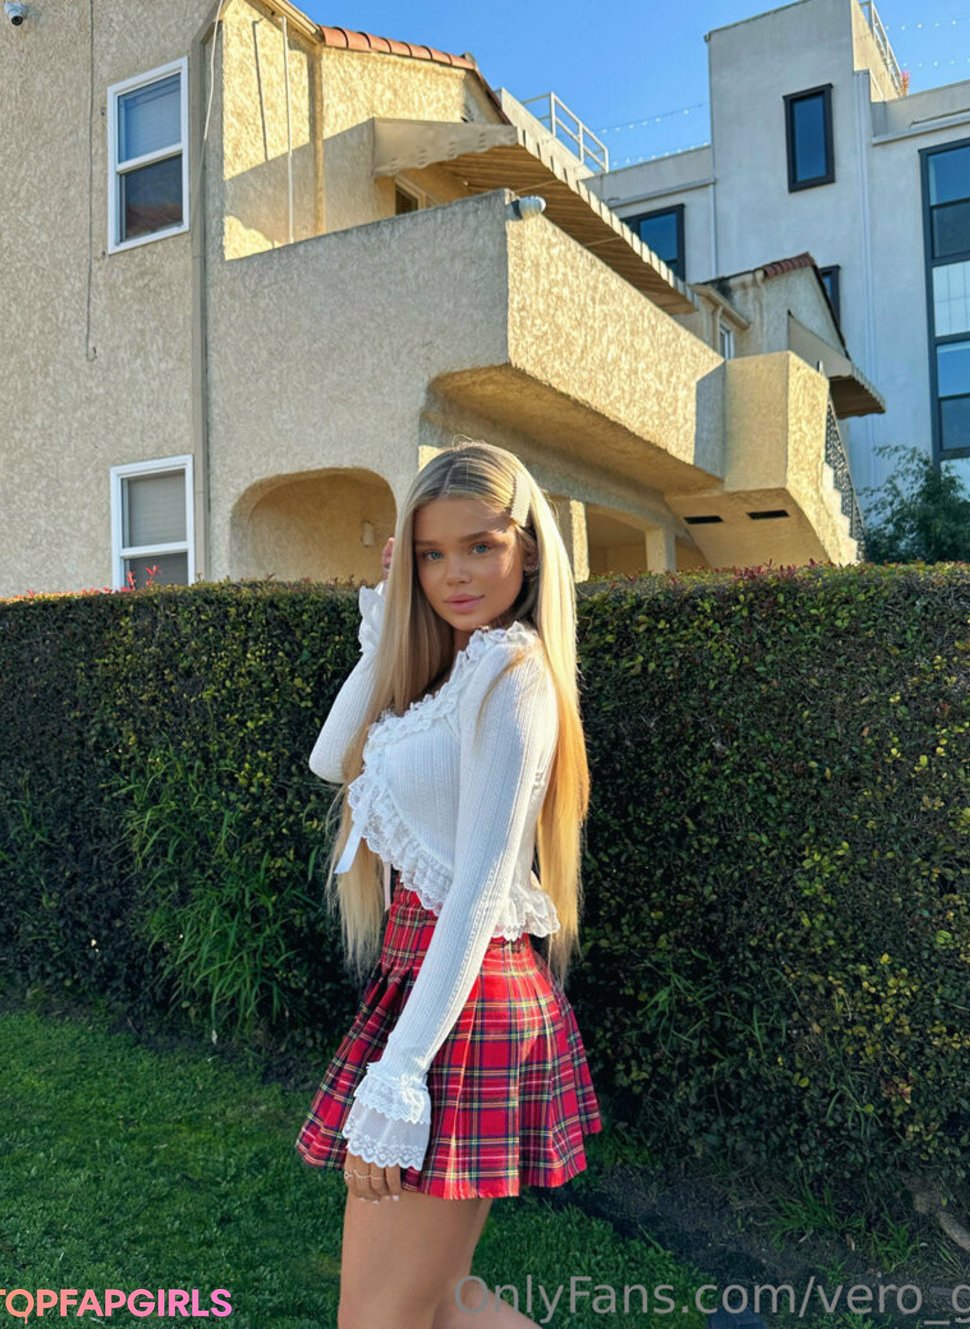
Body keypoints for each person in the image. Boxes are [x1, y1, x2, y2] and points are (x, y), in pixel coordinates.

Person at [295, 439, 602, 1328]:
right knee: (432, 1309)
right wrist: (385, 620)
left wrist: (398, 1077)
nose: (453, 574)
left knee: (382, 1317)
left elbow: (476, 891)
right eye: (430, 554)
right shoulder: (456, 670)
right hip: (430, 985)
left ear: (527, 550)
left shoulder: (514, 676)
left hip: (464, 999)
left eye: (479, 546)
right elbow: (331, 756)